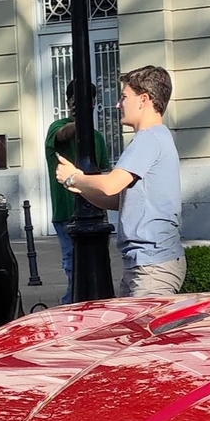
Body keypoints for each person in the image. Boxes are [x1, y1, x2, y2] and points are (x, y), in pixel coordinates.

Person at [57, 64, 185, 298]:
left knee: (143, 334)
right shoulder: (156, 137)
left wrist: (74, 177)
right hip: (145, 264)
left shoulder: (148, 139)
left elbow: (110, 185)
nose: (118, 104)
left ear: (143, 99)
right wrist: (77, 186)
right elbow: (118, 200)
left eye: (124, 97)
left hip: (152, 268)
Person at [41, 110, 82, 282]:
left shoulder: (96, 137)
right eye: (73, 101)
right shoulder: (56, 127)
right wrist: (84, 119)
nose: (76, 105)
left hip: (93, 211)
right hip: (65, 212)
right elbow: (63, 134)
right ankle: (72, 299)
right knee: (72, 261)